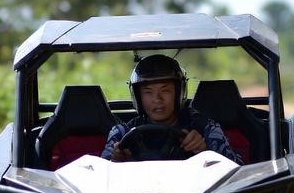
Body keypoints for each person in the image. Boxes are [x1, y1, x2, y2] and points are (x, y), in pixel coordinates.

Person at [102, 54, 242, 163]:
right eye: (148, 92)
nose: (157, 99)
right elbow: (97, 178)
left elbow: (237, 171)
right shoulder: (121, 133)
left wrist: (205, 152)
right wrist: (115, 160)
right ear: (138, 97)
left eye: (165, 90)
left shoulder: (205, 128)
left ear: (179, 93)